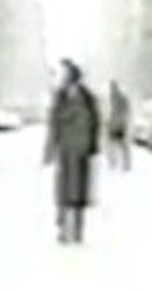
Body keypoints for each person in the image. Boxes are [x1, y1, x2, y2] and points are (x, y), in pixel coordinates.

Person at [45, 59, 101, 242]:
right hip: (65, 151)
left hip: (82, 151)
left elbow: (96, 123)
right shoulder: (60, 98)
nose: (64, 79)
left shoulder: (88, 98)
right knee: (63, 190)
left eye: (67, 76)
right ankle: (62, 227)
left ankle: (78, 228)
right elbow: (53, 124)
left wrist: (93, 146)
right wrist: (50, 149)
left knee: (80, 191)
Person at [106, 80, 131, 170]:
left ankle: (125, 164)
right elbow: (111, 112)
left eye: (112, 87)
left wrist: (122, 122)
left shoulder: (121, 98)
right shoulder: (111, 97)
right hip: (113, 125)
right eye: (111, 87)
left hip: (119, 125)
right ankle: (114, 162)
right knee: (112, 145)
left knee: (121, 145)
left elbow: (126, 111)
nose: (111, 89)